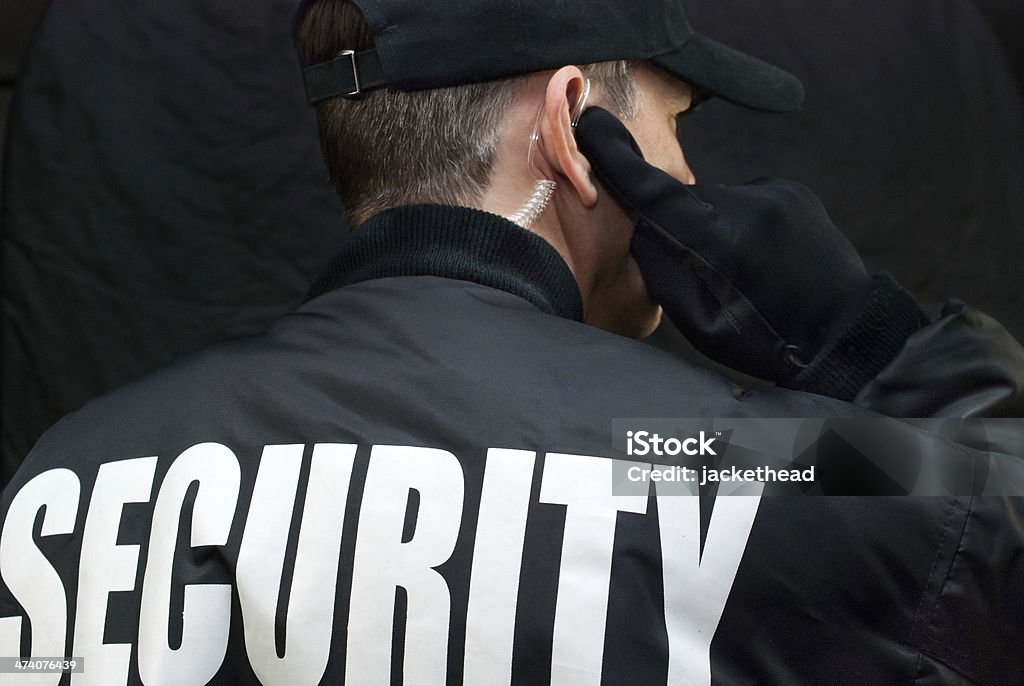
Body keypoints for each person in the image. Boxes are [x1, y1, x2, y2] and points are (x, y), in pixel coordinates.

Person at [0, 0, 1021, 684]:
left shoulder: (78, 474)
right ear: (575, 126)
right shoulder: (693, 460)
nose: (689, 174)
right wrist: (867, 337)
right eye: (677, 121)